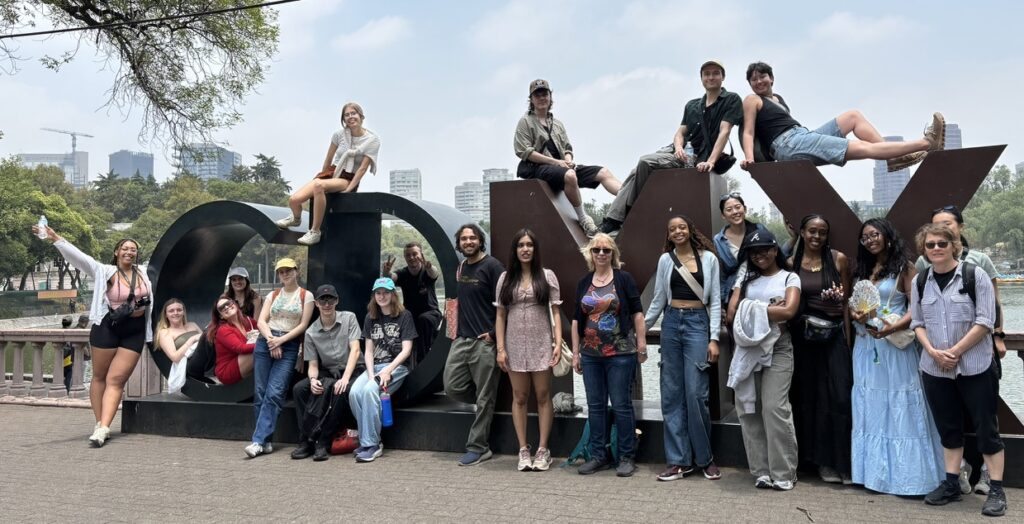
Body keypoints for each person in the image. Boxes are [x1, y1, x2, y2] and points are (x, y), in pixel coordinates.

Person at [911, 224, 1007, 517]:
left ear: (955, 245)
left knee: (986, 428)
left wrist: (955, 351)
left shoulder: (973, 275)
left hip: (974, 366)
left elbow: (985, 320)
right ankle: (951, 483)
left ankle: (997, 490)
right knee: (948, 428)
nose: (936, 248)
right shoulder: (920, 281)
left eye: (942, 243)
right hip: (935, 368)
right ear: (923, 250)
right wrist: (932, 351)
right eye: (930, 245)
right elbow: (917, 323)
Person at [34, 225, 155, 447]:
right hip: (107, 327)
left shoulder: (144, 273)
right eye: (125, 248)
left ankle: (104, 428)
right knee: (100, 377)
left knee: (116, 379)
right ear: (117, 251)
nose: (129, 252)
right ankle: (101, 424)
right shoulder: (104, 271)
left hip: (134, 330)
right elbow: (80, 258)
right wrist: (56, 238)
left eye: (133, 249)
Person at [849, 218, 944, 495]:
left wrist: (895, 325)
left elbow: (918, 308)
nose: (870, 240)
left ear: (888, 236)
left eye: (875, 234)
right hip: (866, 346)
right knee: (872, 404)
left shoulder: (906, 268)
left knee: (900, 402)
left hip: (894, 346)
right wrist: (856, 313)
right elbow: (856, 303)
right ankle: (875, 476)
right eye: (865, 237)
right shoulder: (863, 270)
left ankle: (910, 478)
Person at [599, 60, 742, 234]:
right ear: (701, 78)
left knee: (645, 161)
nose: (711, 77)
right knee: (635, 171)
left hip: (698, 156)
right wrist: (679, 147)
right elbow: (680, 133)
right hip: (677, 150)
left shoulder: (731, 100)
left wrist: (711, 161)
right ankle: (613, 219)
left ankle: (624, 215)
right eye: (707, 74)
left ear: (723, 77)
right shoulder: (692, 105)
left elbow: (724, 132)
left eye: (715, 73)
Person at [739, 61, 944, 173]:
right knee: (863, 148)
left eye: (762, 76)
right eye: (754, 79)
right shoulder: (752, 100)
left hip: (800, 136)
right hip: (787, 144)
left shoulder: (778, 99)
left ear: (771, 78)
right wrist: (750, 159)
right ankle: (927, 143)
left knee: (852, 116)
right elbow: (748, 131)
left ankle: (892, 158)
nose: (758, 82)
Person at [644, 216, 722, 481]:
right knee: (671, 394)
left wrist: (714, 339)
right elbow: (658, 300)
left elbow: (715, 302)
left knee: (696, 394)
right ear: (668, 234)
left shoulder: (708, 259)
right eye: (672, 229)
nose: (678, 231)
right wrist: (641, 329)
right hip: (671, 324)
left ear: (690, 230)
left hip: (698, 324)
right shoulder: (666, 260)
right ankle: (678, 461)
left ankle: (705, 458)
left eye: (682, 227)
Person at [726, 230, 800, 490]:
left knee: (774, 408)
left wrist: (756, 309)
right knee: (749, 409)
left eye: (766, 250)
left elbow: (789, 310)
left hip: (779, 347)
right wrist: (771, 309)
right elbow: (733, 313)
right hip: (749, 350)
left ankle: (784, 472)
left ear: (775, 250)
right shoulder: (747, 280)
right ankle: (761, 470)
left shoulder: (789, 277)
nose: (760, 255)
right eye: (754, 252)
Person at [571, 233, 646, 477]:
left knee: (622, 404)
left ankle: (626, 456)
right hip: (591, 355)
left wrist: (642, 345)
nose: (601, 253)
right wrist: (575, 353)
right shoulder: (584, 282)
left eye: (606, 250)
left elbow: (637, 313)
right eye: (596, 250)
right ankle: (598, 455)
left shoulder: (623, 279)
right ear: (590, 254)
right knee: (595, 405)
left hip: (620, 353)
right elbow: (575, 320)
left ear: (613, 253)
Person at [786, 214, 853, 484]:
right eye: (811, 231)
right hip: (804, 340)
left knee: (839, 397)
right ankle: (817, 462)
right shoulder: (791, 264)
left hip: (834, 337)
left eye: (822, 232)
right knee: (809, 398)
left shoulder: (838, 259)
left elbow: (847, 304)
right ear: (802, 232)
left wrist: (848, 341)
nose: (816, 236)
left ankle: (841, 462)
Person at [513, 79, 621, 236]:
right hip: (539, 168)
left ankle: (629, 199)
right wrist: (556, 162)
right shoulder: (525, 122)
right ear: (531, 100)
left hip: (562, 166)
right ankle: (584, 218)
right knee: (570, 176)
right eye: (537, 95)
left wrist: (568, 160)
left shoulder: (556, 123)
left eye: (545, 94)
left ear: (550, 97)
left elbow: (567, 147)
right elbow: (524, 151)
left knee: (603, 172)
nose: (542, 98)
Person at [494, 228, 562, 472]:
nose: (525, 249)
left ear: (535, 249)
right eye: (520, 245)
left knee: (543, 396)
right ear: (515, 250)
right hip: (513, 344)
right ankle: (523, 449)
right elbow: (500, 315)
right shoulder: (505, 278)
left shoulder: (547, 276)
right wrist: (501, 348)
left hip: (541, 342)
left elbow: (555, 311)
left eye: (529, 245)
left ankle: (543, 449)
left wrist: (557, 342)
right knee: (519, 397)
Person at [443, 223, 506, 466]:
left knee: (485, 397)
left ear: (480, 241)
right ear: (459, 244)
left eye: (472, 238)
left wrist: (493, 334)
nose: (468, 242)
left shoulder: (493, 266)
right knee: (452, 386)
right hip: (462, 340)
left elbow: (505, 304)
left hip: (485, 342)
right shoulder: (461, 268)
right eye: (464, 239)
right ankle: (485, 400)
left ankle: (478, 447)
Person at [276, 102, 381, 245]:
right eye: (347, 115)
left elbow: (362, 169)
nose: (351, 117)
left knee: (319, 186)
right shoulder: (339, 135)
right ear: (343, 119)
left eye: (353, 113)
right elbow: (328, 158)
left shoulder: (372, 140)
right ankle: (296, 219)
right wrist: (323, 176)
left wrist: (349, 190)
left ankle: (315, 231)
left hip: (348, 177)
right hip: (332, 171)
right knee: (294, 200)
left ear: (361, 116)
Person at [245, 257, 314, 458]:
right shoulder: (273, 294)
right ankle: (264, 440)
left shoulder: (305, 296)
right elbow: (261, 321)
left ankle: (258, 441)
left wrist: (281, 341)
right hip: (266, 341)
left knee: (275, 392)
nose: (285, 274)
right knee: (260, 391)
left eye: (288, 270)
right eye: (281, 271)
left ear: (296, 271)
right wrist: (271, 340)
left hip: (289, 344)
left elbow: (302, 325)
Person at [291, 284, 362, 462]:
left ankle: (322, 441)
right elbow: (313, 364)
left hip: (354, 370)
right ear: (316, 303)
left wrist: (345, 378)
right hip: (329, 373)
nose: (327, 304)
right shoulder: (311, 332)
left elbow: (355, 350)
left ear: (337, 300)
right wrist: (313, 379)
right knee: (300, 389)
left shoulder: (349, 318)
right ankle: (306, 440)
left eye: (330, 299)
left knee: (340, 390)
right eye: (323, 300)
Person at [349, 278, 416, 462]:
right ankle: (366, 440)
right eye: (378, 293)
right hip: (374, 366)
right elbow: (368, 351)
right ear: (374, 296)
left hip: (397, 367)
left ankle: (373, 444)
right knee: (355, 392)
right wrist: (371, 374)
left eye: (386, 292)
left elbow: (406, 350)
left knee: (371, 390)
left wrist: (388, 371)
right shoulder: (370, 317)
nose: (382, 296)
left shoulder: (405, 316)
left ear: (393, 294)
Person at [382, 242, 442, 363]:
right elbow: (392, 278)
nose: (411, 257)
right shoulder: (403, 273)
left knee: (423, 320)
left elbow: (434, 274)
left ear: (421, 254)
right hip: (410, 316)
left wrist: (429, 266)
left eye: (415, 254)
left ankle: (422, 360)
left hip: (431, 314)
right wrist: (387, 273)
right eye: (408, 255)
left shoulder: (427, 271)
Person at [714, 192, 767, 307]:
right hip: (733, 294)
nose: (735, 212)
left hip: (762, 288)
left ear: (745, 209)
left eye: (738, 207)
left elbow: (775, 254)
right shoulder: (719, 240)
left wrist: (793, 239)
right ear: (723, 215)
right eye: (729, 209)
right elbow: (721, 275)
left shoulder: (758, 230)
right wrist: (722, 304)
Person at [211, 295, 258, 386]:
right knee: (259, 351)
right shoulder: (223, 330)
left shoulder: (248, 321)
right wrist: (266, 344)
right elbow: (241, 348)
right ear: (221, 316)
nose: (226, 307)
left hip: (243, 363)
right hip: (226, 370)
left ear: (235, 304)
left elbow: (263, 330)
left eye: (228, 303)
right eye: (221, 308)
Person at [156, 298, 202, 365]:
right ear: (166, 315)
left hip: (205, 362)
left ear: (183, 312)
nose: (176, 313)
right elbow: (175, 358)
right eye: (171, 311)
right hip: (187, 368)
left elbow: (205, 342)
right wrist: (192, 339)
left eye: (179, 310)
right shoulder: (165, 332)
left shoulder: (193, 325)